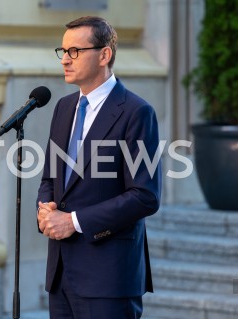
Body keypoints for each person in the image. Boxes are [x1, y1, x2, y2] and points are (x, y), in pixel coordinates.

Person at [36, 16, 162, 319]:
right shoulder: (64, 107)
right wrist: (44, 211)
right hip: (61, 275)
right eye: (63, 51)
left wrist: (74, 221)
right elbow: (51, 176)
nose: (65, 60)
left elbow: (145, 195)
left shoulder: (136, 112)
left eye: (75, 51)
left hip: (109, 277)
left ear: (104, 55)